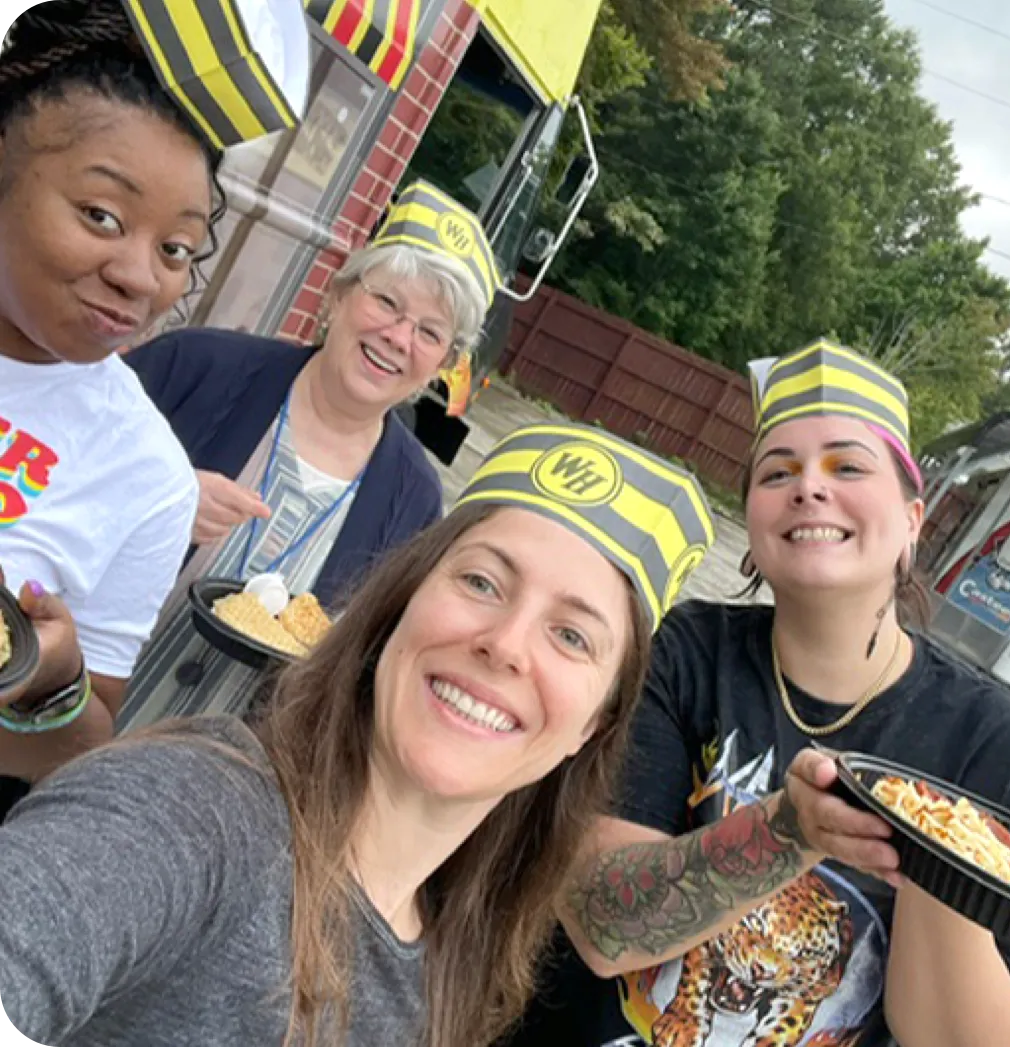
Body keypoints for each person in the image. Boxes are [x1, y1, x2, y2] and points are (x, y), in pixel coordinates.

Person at [0, 421, 716, 1047]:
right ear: (399, 603)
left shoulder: (454, 963)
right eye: (481, 582)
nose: (505, 644)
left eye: (570, 634)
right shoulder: (193, 811)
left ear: (590, 728)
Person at [507, 338, 1010, 1047]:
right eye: (777, 471)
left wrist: (949, 866)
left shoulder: (1006, 753)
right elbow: (598, 924)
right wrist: (788, 832)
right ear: (751, 522)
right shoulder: (685, 653)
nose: (809, 485)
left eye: (847, 465)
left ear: (911, 522)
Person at [0, 0, 307, 814]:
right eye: (102, 215)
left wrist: (49, 680)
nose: (141, 277)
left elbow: (77, 747)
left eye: (176, 248)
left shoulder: (146, 474)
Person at [116, 180, 495, 729]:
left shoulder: (414, 499)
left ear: (441, 364)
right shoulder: (195, 366)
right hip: (60, 706)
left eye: (429, 332)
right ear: (338, 295)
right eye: (387, 301)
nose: (398, 336)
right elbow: (42, 463)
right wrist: (160, 498)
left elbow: (373, 668)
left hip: (215, 776)